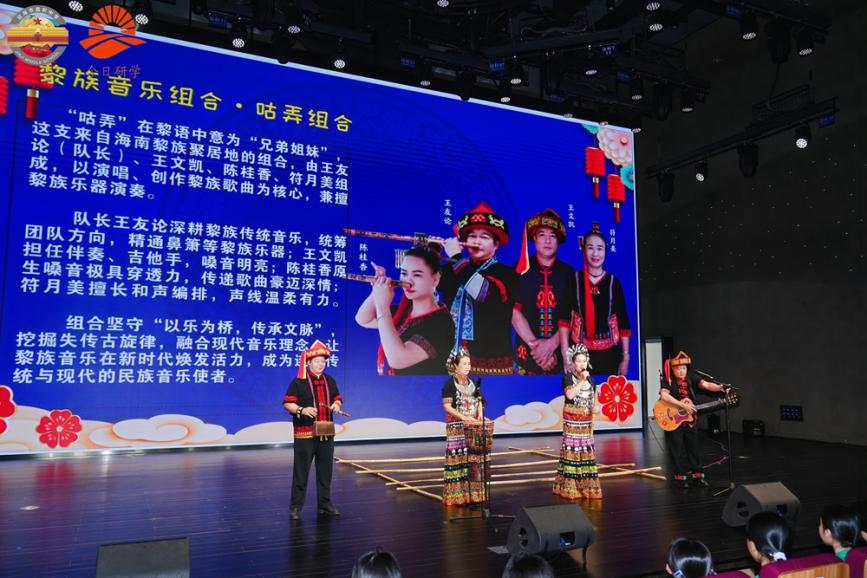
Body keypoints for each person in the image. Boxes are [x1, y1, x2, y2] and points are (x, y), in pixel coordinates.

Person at [441, 201, 518, 375]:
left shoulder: (506, 274)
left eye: (484, 237)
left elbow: (483, 293)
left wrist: (456, 257)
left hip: (492, 366)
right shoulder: (451, 269)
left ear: (496, 244)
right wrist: (431, 253)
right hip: (451, 361)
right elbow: (424, 283)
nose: (477, 241)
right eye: (472, 236)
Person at [355, 244, 455, 375]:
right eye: (404, 273)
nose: (408, 281)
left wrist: (382, 305)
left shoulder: (441, 323)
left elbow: (398, 360)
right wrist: (377, 290)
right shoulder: (404, 311)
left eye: (417, 275)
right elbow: (364, 319)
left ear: (435, 279)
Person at [282, 339, 343, 520]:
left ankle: (325, 505)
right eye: (317, 361)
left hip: (326, 432)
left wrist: (336, 405)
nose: (320, 364)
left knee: (325, 472)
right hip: (305, 434)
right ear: (309, 362)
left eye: (323, 361)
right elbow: (287, 403)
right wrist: (302, 410)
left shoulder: (329, 380)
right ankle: (295, 507)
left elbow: (337, 398)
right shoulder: (298, 381)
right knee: (301, 472)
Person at [512, 209, 575, 375]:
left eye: (553, 236)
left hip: (560, 359)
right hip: (526, 357)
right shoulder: (520, 268)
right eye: (542, 235)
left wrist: (550, 345)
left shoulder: (570, 274)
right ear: (534, 238)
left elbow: (574, 315)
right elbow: (514, 312)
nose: (547, 240)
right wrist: (537, 349)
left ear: (558, 241)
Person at [568, 222, 631, 377]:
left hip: (610, 353)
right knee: (579, 390)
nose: (595, 253)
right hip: (579, 352)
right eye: (590, 248)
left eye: (600, 248)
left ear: (605, 251)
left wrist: (625, 357)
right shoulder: (575, 279)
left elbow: (623, 321)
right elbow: (564, 319)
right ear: (583, 250)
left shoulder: (613, 282)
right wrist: (565, 354)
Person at [659, 351, 728, 488]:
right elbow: (664, 396)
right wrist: (682, 405)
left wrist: (719, 387)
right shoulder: (668, 380)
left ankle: (698, 476)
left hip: (690, 420)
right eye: (678, 369)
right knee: (676, 449)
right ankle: (680, 477)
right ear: (673, 369)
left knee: (693, 447)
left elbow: (706, 385)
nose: (681, 371)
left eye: (684, 368)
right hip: (674, 419)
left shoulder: (691, 378)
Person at [441, 348, 490, 506]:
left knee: (473, 461)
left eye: (469, 364)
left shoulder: (473, 383)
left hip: (472, 428)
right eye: (464, 364)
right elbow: (447, 406)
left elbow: (479, 400)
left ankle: (474, 495)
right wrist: (463, 417)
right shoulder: (450, 383)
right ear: (456, 366)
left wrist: (480, 414)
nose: (468, 366)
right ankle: (457, 496)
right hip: (457, 428)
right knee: (459, 461)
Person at [552, 344, 602, 500]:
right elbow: (570, 395)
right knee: (572, 452)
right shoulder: (568, 377)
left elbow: (595, 403)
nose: (582, 364)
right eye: (579, 361)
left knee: (585, 453)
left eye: (584, 361)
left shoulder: (592, 381)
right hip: (572, 423)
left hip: (586, 424)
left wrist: (596, 409)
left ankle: (586, 487)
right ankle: (570, 487)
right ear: (573, 363)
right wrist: (582, 380)